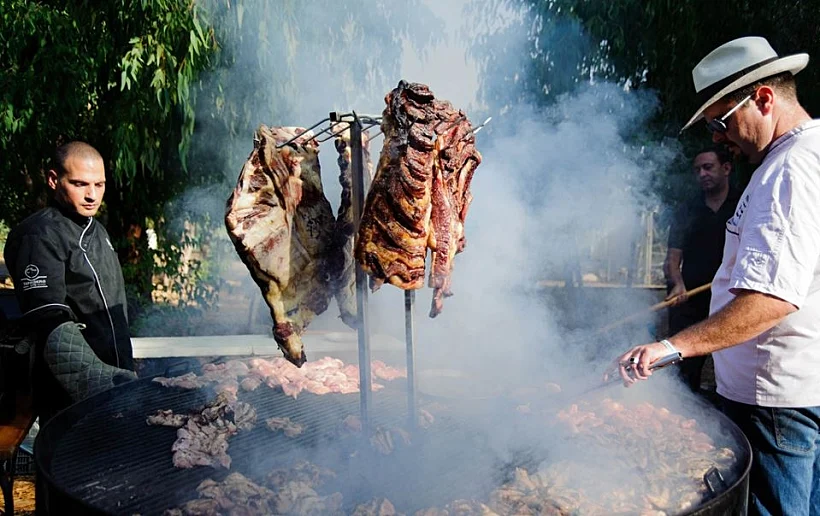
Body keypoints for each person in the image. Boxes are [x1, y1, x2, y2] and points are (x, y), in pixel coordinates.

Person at [612, 36, 820, 515]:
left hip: (774, 402)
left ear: (764, 99)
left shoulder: (789, 168)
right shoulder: (801, 157)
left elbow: (771, 299)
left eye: (720, 122)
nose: (717, 138)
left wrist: (670, 347)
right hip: (791, 390)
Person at [3, 141, 134, 423]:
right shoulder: (38, 235)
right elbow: (48, 317)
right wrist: (93, 378)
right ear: (53, 180)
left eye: (99, 185)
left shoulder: (97, 230)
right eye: (79, 184)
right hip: (71, 395)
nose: (91, 195)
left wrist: (122, 370)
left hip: (115, 382)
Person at [664, 147, 739, 393]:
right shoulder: (687, 209)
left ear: (726, 168)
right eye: (697, 170)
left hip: (731, 299)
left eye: (708, 167)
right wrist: (677, 283)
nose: (702, 174)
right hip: (691, 299)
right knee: (683, 372)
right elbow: (673, 257)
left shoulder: (742, 204)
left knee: (733, 370)